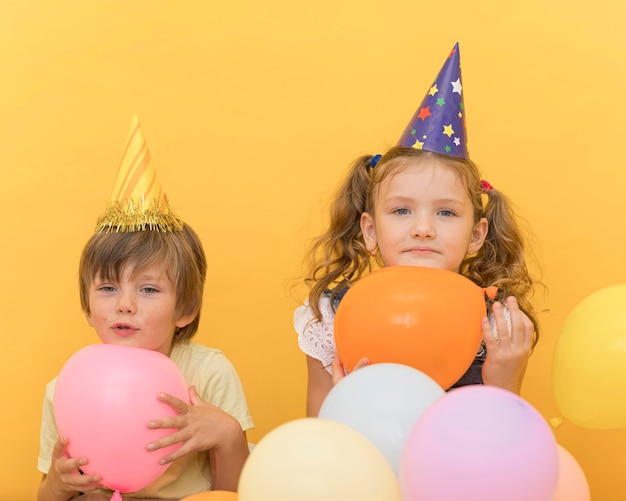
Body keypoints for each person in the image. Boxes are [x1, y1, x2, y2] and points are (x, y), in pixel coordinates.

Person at [294, 43, 540, 417]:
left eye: (445, 212)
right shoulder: (330, 317)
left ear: (477, 234)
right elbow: (318, 440)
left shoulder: (498, 324)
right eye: (402, 210)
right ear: (370, 230)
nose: (423, 229)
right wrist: (343, 405)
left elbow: (505, 447)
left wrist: (505, 382)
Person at [37, 116, 254, 500]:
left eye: (149, 288)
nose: (124, 305)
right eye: (107, 287)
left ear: (185, 308)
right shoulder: (66, 388)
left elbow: (236, 495)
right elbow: (46, 497)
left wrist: (228, 437)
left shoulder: (207, 374)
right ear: (87, 307)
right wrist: (59, 483)